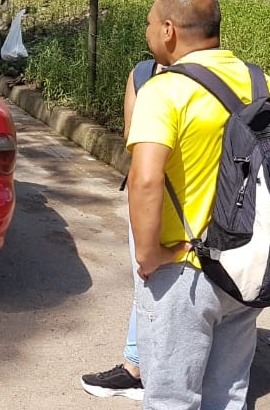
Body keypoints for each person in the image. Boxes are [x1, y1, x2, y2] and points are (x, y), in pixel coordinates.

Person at [124, 0, 270, 410]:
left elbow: (145, 179)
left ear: (168, 30)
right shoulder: (262, 84)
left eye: (148, 24)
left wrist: (149, 255)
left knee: (171, 397)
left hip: (184, 268)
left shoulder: (165, 90)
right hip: (243, 266)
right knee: (227, 394)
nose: (147, 34)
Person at [80, 59, 159, 400]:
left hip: (157, 191)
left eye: (151, 23)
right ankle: (141, 363)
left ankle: (138, 368)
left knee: (148, 276)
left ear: (167, 30)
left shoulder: (144, 73)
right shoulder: (240, 76)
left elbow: (133, 137)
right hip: (216, 197)